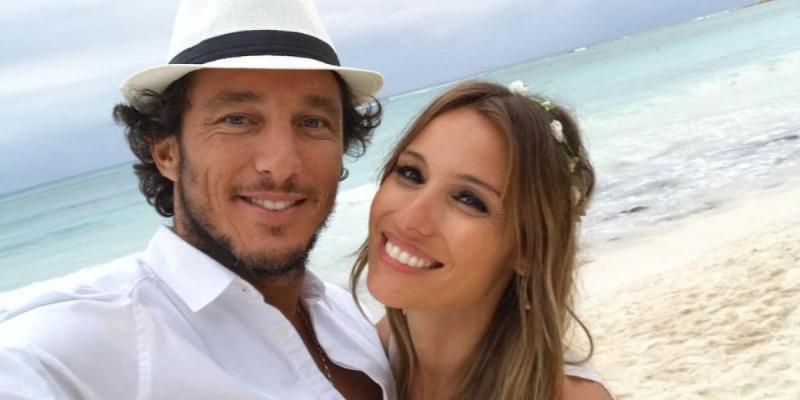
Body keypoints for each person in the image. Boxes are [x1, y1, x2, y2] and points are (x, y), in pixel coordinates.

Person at [0, 0, 395, 399]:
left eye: (313, 122)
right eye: (236, 120)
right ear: (166, 153)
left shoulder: (348, 316)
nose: (282, 165)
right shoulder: (86, 341)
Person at [351, 81, 612, 399]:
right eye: (411, 173)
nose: (409, 220)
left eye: (469, 200)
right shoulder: (366, 355)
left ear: (529, 248)